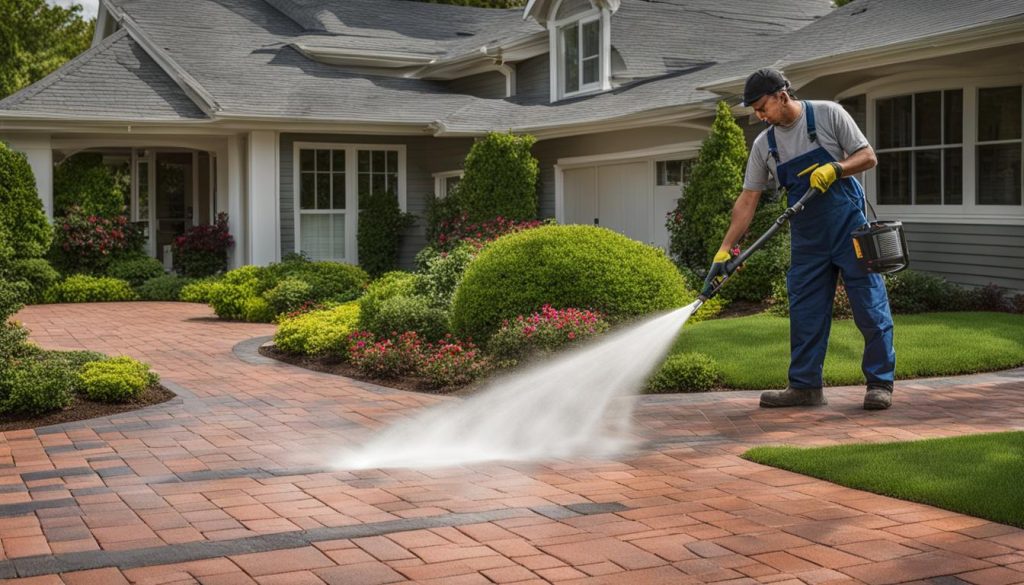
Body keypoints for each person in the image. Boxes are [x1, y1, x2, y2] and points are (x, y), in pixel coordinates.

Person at [704, 68, 896, 410]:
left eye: (762, 107)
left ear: (782, 95)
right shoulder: (766, 144)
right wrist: (724, 248)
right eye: (755, 110)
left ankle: (879, 383)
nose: (759, 116)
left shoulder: (827, 114)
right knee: (805, 312)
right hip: (807, 238)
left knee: (869, 306)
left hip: (849, 230)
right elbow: (748, 200)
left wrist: (836, 168)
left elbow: (868, 156)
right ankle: (805, 387)